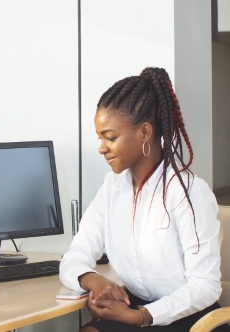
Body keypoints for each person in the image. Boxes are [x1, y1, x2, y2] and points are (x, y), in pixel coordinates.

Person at [59, 67, 230, 332]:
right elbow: (74, 256)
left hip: (188, 316)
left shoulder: (188, 192)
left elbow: (205, 287)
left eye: (111, 137)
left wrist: (141, 316)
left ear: (145, 133)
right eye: (100, 137)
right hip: (137, 307)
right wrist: (94, 281)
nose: (102, 148)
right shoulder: (111, 188)